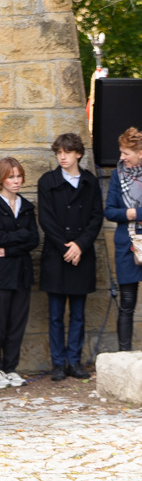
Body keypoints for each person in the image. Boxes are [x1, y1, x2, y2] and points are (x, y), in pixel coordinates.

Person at [38, 133, 102, 381]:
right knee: (55, 315)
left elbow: (96, 217)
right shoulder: (48, 181)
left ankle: (74, 362)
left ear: (78, 154)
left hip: (81, 256)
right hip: (57, 255)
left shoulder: (90, 182)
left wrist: (80, 246)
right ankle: (58, 363)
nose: (62, 157)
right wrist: (67, 248)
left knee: (77, 313)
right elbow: (46, 219)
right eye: (58, 153)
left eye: (66, 152)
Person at [0, 158, 39, 389]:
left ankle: (10, 368)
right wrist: (21, 236)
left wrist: (11, 248)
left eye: (18, 176)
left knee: (17, 324)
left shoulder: (26, 206)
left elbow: (34, 239)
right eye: (11, 177)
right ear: (1, 179)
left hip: (21, 274)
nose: (16, 181)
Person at [104, 127, 142, 352]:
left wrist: (134, 213)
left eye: (126, 152)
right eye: (121, 152)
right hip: (126, 245)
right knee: (127, 303)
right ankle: (124, 356)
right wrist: (126, 214)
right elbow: (109, 211)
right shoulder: (118, 175)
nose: (121, 157)